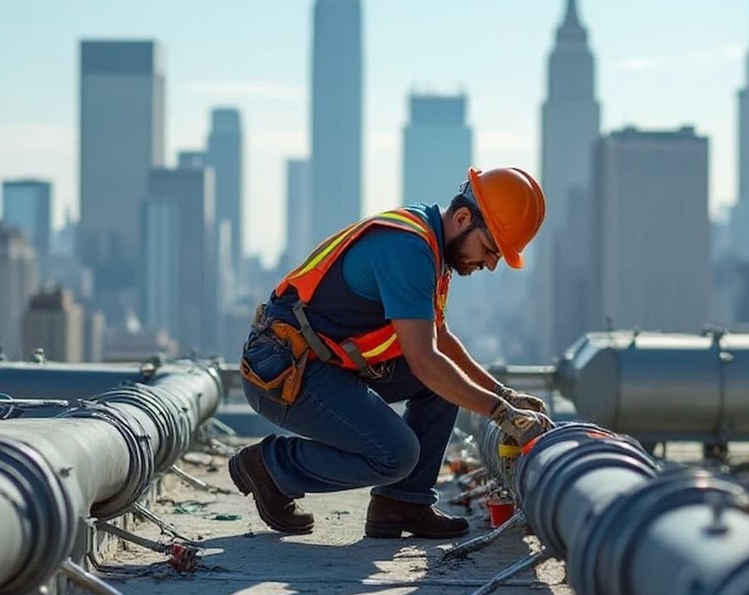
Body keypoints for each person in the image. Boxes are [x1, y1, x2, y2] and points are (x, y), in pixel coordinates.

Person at [230, 167, 555, 538]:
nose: (492, 264)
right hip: (286, 373)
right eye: (490, 249)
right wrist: (500, 413)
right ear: (463, 219)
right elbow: (424, 360)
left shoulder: (429, 245)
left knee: (442, 383)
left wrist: (503, 395)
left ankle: (403, 504)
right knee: (396, 454)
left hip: (324, 365)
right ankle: (270, 467)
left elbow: (440, 341)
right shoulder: (410, 250)